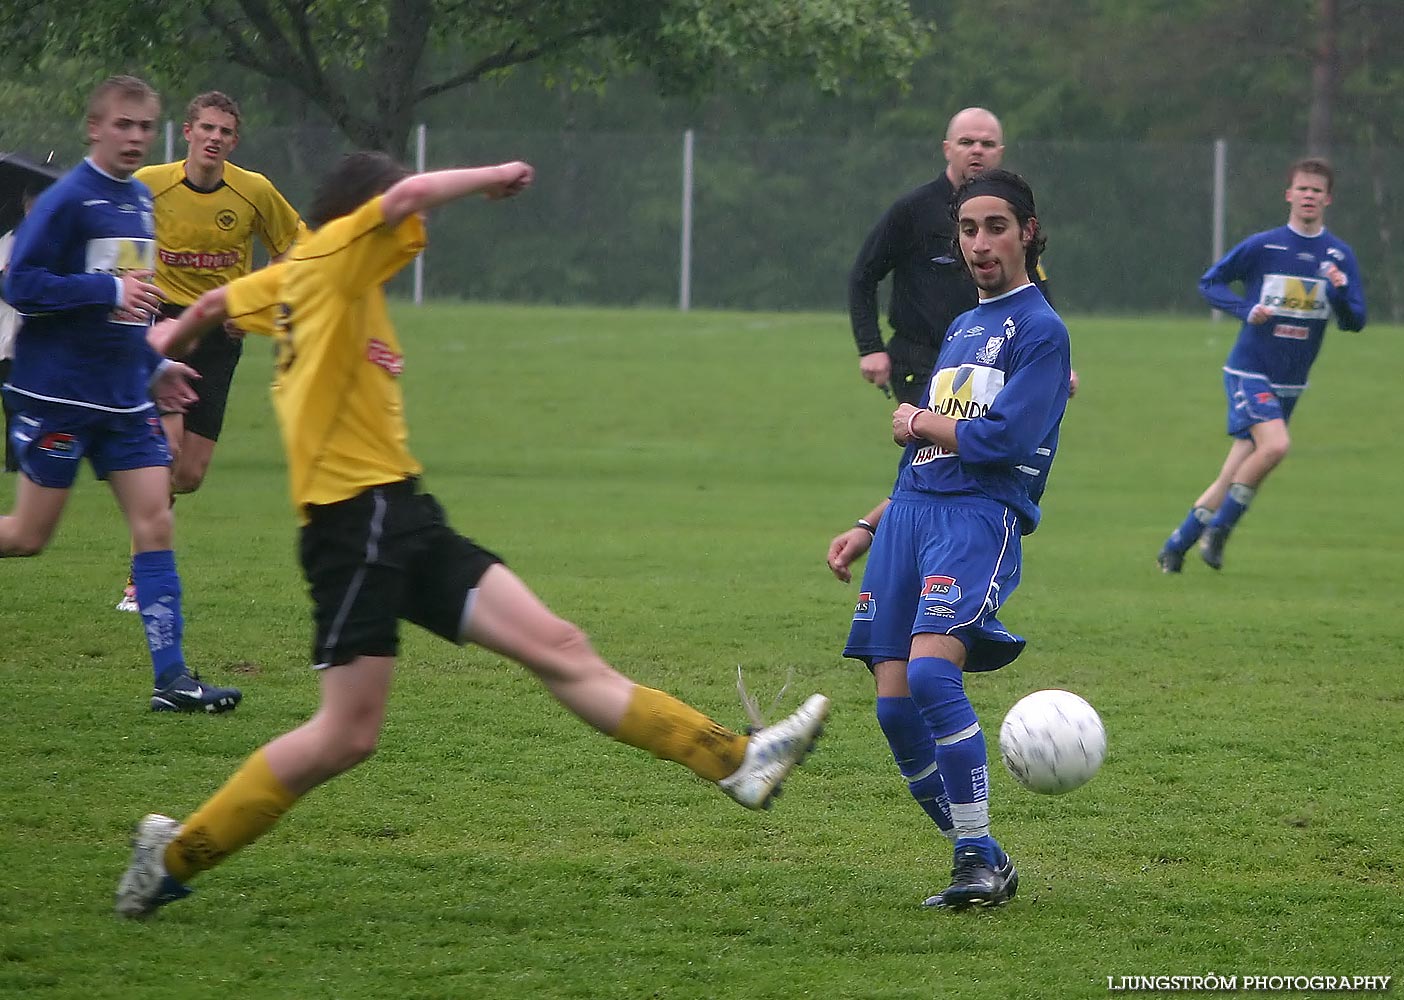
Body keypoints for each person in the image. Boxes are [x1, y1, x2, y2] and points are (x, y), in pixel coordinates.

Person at [114, 152, 831, 918]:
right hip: (351, 526)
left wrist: (160, 357)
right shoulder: (336, 248)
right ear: (368, 213)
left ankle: (734, 759)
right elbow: (415, 193)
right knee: (346, 736)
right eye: (402, 222)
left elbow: (214, 303)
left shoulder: (298, 276)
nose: (415, 236)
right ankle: (177, 853)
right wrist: (494, 176)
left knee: (559, 645)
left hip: (404, 512)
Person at [826, 168, 1070, 910]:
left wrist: (919, 417)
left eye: (995, 227)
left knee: (933, 678)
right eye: (967, 230)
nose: (980, 243)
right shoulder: (964, 326)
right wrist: (872, 522)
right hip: (911, 515)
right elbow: (927, 449)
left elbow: (1002, 438)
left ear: (1026, 231)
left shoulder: (1041, 330)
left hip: (975, 518)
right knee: (895, 708)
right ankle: (986, 857)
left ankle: (973, 860)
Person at [0, 75, 242, 714]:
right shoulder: (67, 201)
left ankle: (173, 681)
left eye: (143, 126)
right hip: (58, 394)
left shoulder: (138, 201)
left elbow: (127, 313)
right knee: (27, 535)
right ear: (96, 129)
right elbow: (19, 284)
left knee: (155, 521)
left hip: (123, 395)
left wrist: (151, 366)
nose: (135, 136)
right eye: (123, 125)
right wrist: (105, 291)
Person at [113, 90, 303, 612]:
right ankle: (140, 578)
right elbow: (119, 226)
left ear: (234, 141)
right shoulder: (152, 183)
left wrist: (252, 302)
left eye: (225, 131)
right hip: (166, 326)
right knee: (166, 451)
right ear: (188, 131)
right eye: (207, 128)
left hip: (219, 334)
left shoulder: (254, 191)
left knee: (189, 474)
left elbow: (291, 244)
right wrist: (134, 279)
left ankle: (143, 508)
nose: (215, 138)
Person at [1156, 157, 1366, 573]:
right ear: (1289, 194)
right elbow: (1210, 282)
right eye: (1302, 189)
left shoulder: (1339, 256)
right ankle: (1220, 532)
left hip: (1291, 384)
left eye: (1316, 190)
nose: (1309, 196)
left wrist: (1340, 290)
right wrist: (1246, 309)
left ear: (1328, 199)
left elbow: (1354, 321)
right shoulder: (1265, 246)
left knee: (1235, 470)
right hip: (1249, 370)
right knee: (1276, 446)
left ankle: (1176, 545)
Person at [848, 107, 1063, 405]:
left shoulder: (1013, 210)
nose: (977, 150)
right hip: (922, 360)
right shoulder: (913, 210)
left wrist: (1052, 356)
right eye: (966, 142)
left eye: (987, 144)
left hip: (990, 358)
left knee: (986, 445)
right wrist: (870, 347)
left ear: (1000, 152)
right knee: (941, 443)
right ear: (947, 149)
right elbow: (863, 276)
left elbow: (1033, 284)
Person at [0, 186, 41, 472]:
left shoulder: (53, 243)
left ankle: (17, 462)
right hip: (3, 327)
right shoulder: (8, 240)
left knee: (17, 403)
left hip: (30, 333)